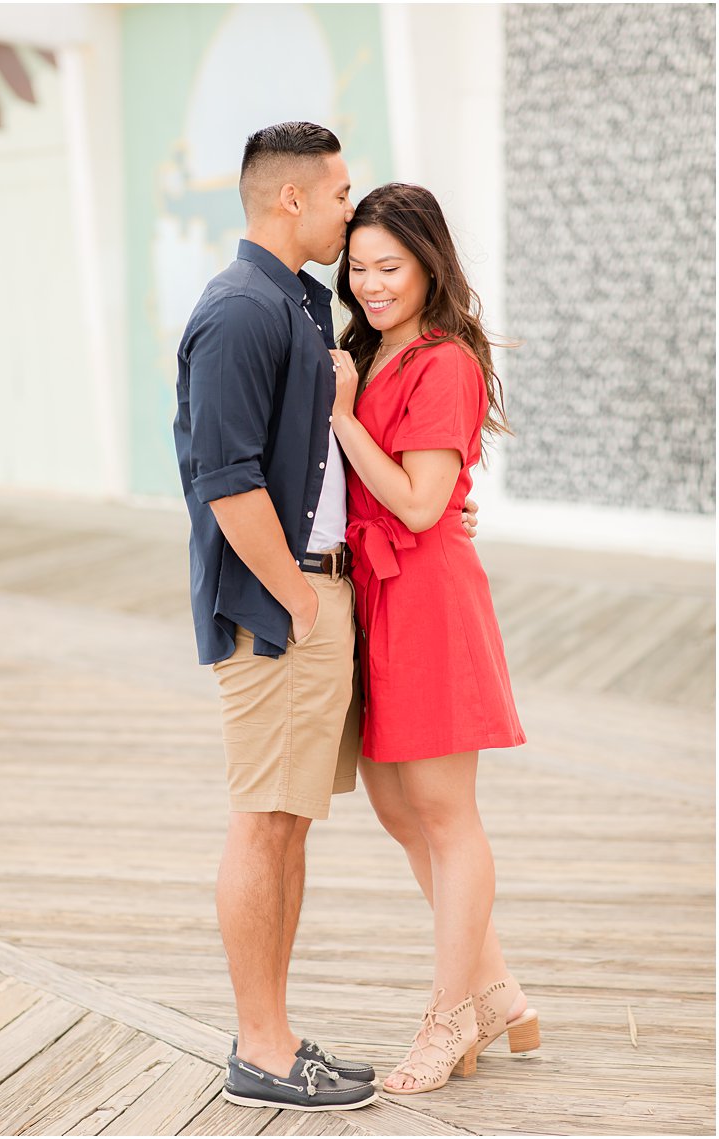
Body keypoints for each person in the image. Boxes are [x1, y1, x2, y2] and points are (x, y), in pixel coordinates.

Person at [172, 121, 381, 1112]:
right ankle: (258, 1048)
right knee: (261, 822)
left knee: (287, 825)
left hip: (311, 591)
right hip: (278, 603)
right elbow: (223, 479)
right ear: (288, 198)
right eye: (339, 191)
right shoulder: (239, 311)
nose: (351, 204)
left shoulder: (295, 305)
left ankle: (276, 1033)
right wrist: (296, 598)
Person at [330, 182, 532, 1094]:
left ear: (429, 266)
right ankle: (497, 993)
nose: (372, 285)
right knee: (399, 810)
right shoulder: (364, 353)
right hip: (376, 596)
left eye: (391, 268)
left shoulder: (443, 362)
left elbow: (417, 500)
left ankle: (450, 1017)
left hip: (429, 599)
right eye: (360, 267)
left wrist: (340, 417)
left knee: (447, 818)